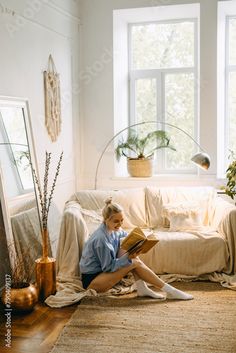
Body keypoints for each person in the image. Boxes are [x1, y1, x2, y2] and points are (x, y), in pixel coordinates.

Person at [79, 198, 193, 300]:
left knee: (131, 251)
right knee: (133, 262)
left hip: (103, 273)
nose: (120, 224)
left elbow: (127, 238)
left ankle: (143, 288)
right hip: (93, 281)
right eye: (116, 221)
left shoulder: (114, 230)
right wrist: (128, 258)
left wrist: (140, 242)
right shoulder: (101, 239)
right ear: (106, 220)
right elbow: (108, 267)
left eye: (121, 220)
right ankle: (169, 291)